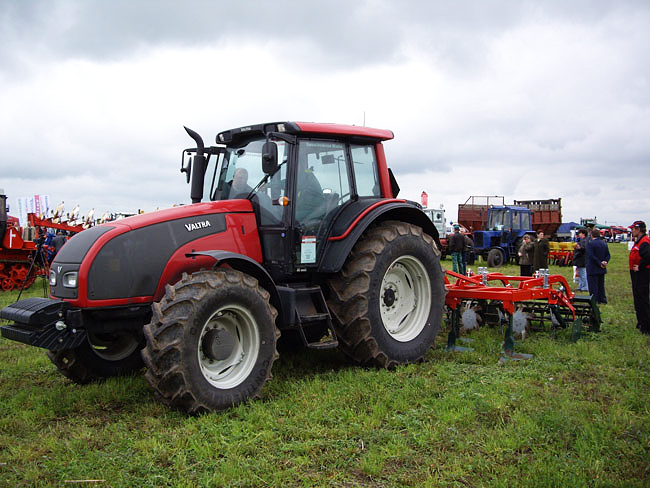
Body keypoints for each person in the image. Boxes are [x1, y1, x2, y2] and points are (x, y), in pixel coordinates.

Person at [628, 220, 650, 334]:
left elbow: (648, 256)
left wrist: (640, 266)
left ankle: (646, 326)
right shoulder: (639, 241)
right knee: (638, 298)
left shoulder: (644, 242)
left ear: (639, 229)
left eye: (633, 229)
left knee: (642, 298)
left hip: (642, 274)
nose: (632, 231)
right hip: (636, 274)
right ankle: (641, 321)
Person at [586, 228, 610, 304]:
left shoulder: (590, 244)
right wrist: (605, 262)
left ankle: (594, 299)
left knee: (593, 286)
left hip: (593, 268)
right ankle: (602, 299)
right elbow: (608, 255)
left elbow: (591, 256)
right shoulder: (604, 243)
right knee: (601, 285)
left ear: (591, 235)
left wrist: (599, 263)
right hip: (602, 268)